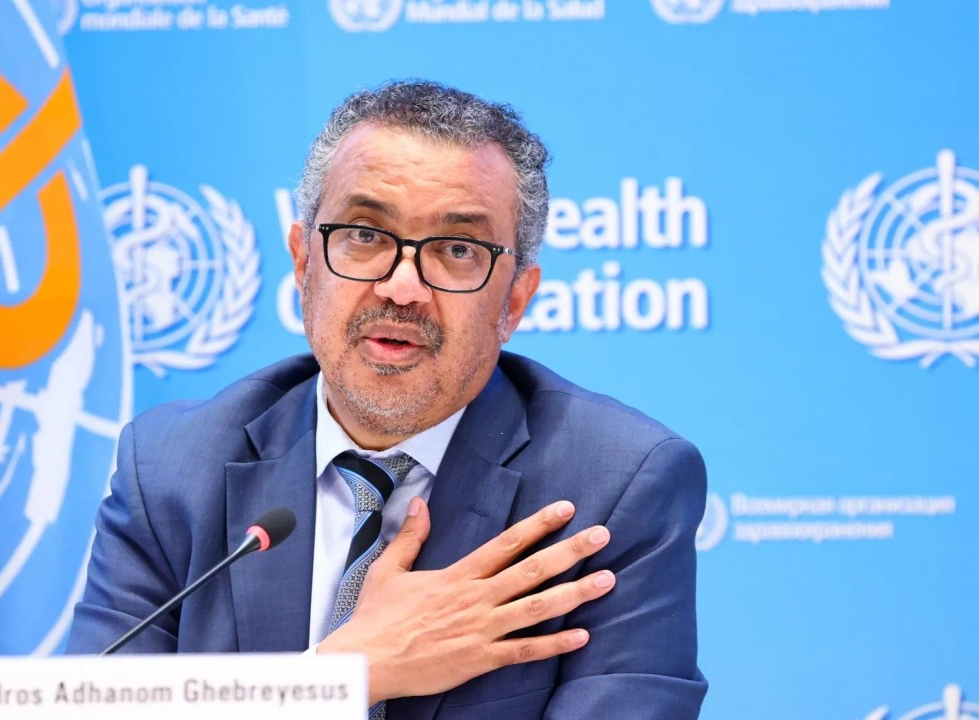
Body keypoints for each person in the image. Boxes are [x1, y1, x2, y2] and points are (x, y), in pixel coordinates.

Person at [66, 80, 708, 718]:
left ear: (514, 300)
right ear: (303, 263)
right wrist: (341, 678)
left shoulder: (615, 486)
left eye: (458, 249)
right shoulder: (171, 471)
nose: (402, 288)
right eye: (366, 235)